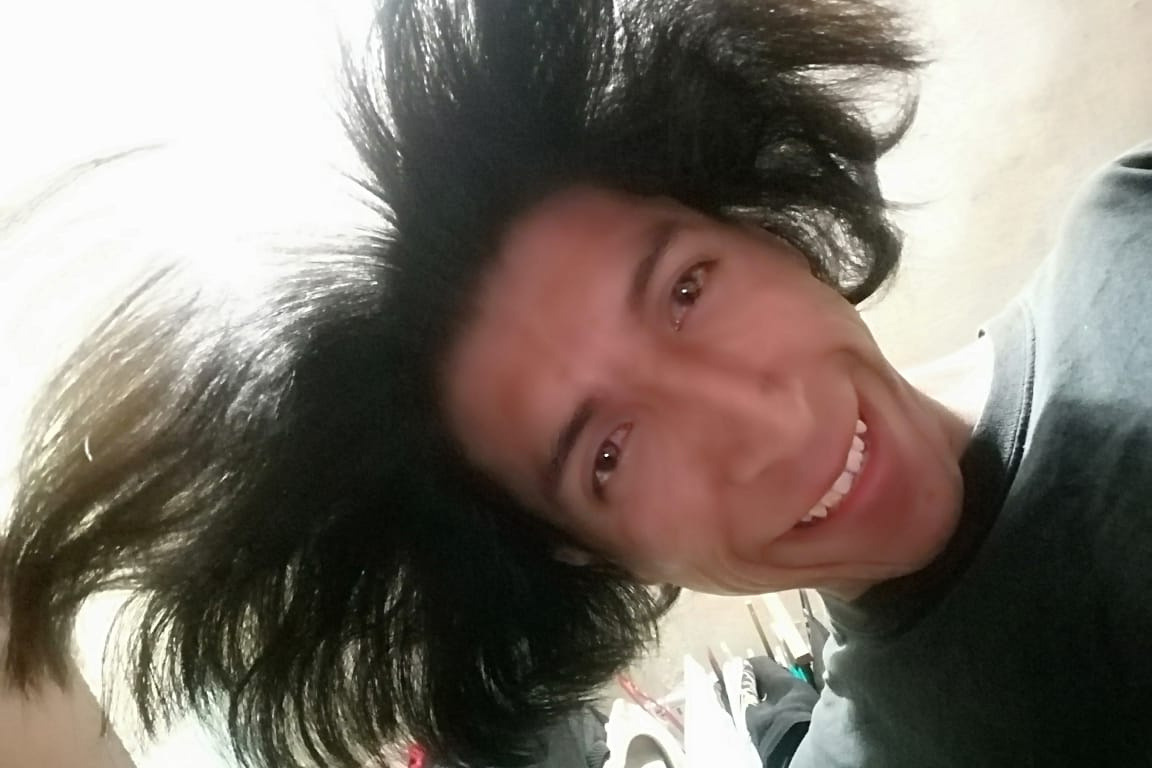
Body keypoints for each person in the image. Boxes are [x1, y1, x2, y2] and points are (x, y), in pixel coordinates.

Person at [2, 0, 1150, 766]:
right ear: (580, 555)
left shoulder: (1133, 224)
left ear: (765, 228)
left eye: (687, 289)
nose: (763, 424)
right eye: (608, 453)